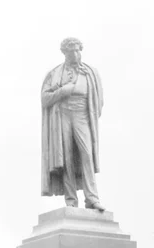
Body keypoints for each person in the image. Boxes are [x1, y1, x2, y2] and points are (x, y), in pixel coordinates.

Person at [41, 37, 105, 211]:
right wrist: (63, 91)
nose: (76, 54)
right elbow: (45, 98)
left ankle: (92, 197)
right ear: (65, 53)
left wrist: (89, 112)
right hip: (62, 114)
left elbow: (99, 101)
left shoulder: (91, 72)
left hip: (82, 114)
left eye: (78, 50)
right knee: (67, 156)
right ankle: (71, 200)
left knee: (87, 154)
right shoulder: (54, 73)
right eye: (71, 51)